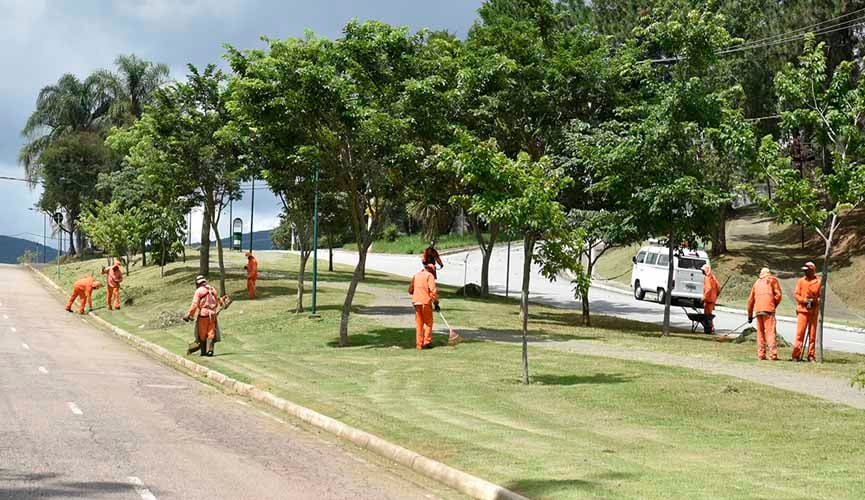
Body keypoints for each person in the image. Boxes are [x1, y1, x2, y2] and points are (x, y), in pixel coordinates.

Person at [185, 275, 227, 357]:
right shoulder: (212, 289)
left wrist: (189, 315)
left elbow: (194, 304)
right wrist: (222, 303)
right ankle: (210, 350)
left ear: (197, 283)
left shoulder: (199, 291)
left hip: (203, 315)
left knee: (202, 334)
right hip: (213, 314)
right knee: (211, 332)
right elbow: (217, 301)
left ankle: (204, 351)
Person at [747, 267, 783, 361]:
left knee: (760, 333)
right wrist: (773, 305)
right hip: (768, 310)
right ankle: (773, 355)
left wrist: (750, 316)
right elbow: (778, 295)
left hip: (758, 310)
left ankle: (761, 355)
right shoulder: (772, 280)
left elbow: (750, 301)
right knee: (770, 332)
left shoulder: (756, 283)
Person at [792, 261, 821, 362]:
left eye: (807, 270)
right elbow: (796, 294)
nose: (805, 272)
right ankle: (796, 355)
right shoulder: (801, 281)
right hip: (802, 311)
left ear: (812, 271)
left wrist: (815, 301)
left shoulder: (819, 282)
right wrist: (804, 300)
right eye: (804, 271)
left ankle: (811, 355)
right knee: (800, 334)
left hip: (813, 311)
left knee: (812, 335)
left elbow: (821, 296)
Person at [408, 263, 440, 350]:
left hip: (416, 302)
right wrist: (436, 303)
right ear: (432, 270)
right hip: (425, 302)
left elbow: (410, 290)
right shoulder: (430, 276)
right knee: (429, 322)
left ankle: (419, 345)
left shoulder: (416, 275)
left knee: (419, 324)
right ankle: (427, 341)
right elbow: (433, 291)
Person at [701, 263, 721, 333]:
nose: (702, 272)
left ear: (705, 270)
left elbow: (708, 289)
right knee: (709, 315)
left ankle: (710, 329)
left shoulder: (707, 278)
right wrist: (716, 295)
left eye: (703, 270)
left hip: (708, 300)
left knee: (707, 316)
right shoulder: (713, 277)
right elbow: (718, 287)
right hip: (713, 299)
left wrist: (704, 298)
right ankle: (711, 328)